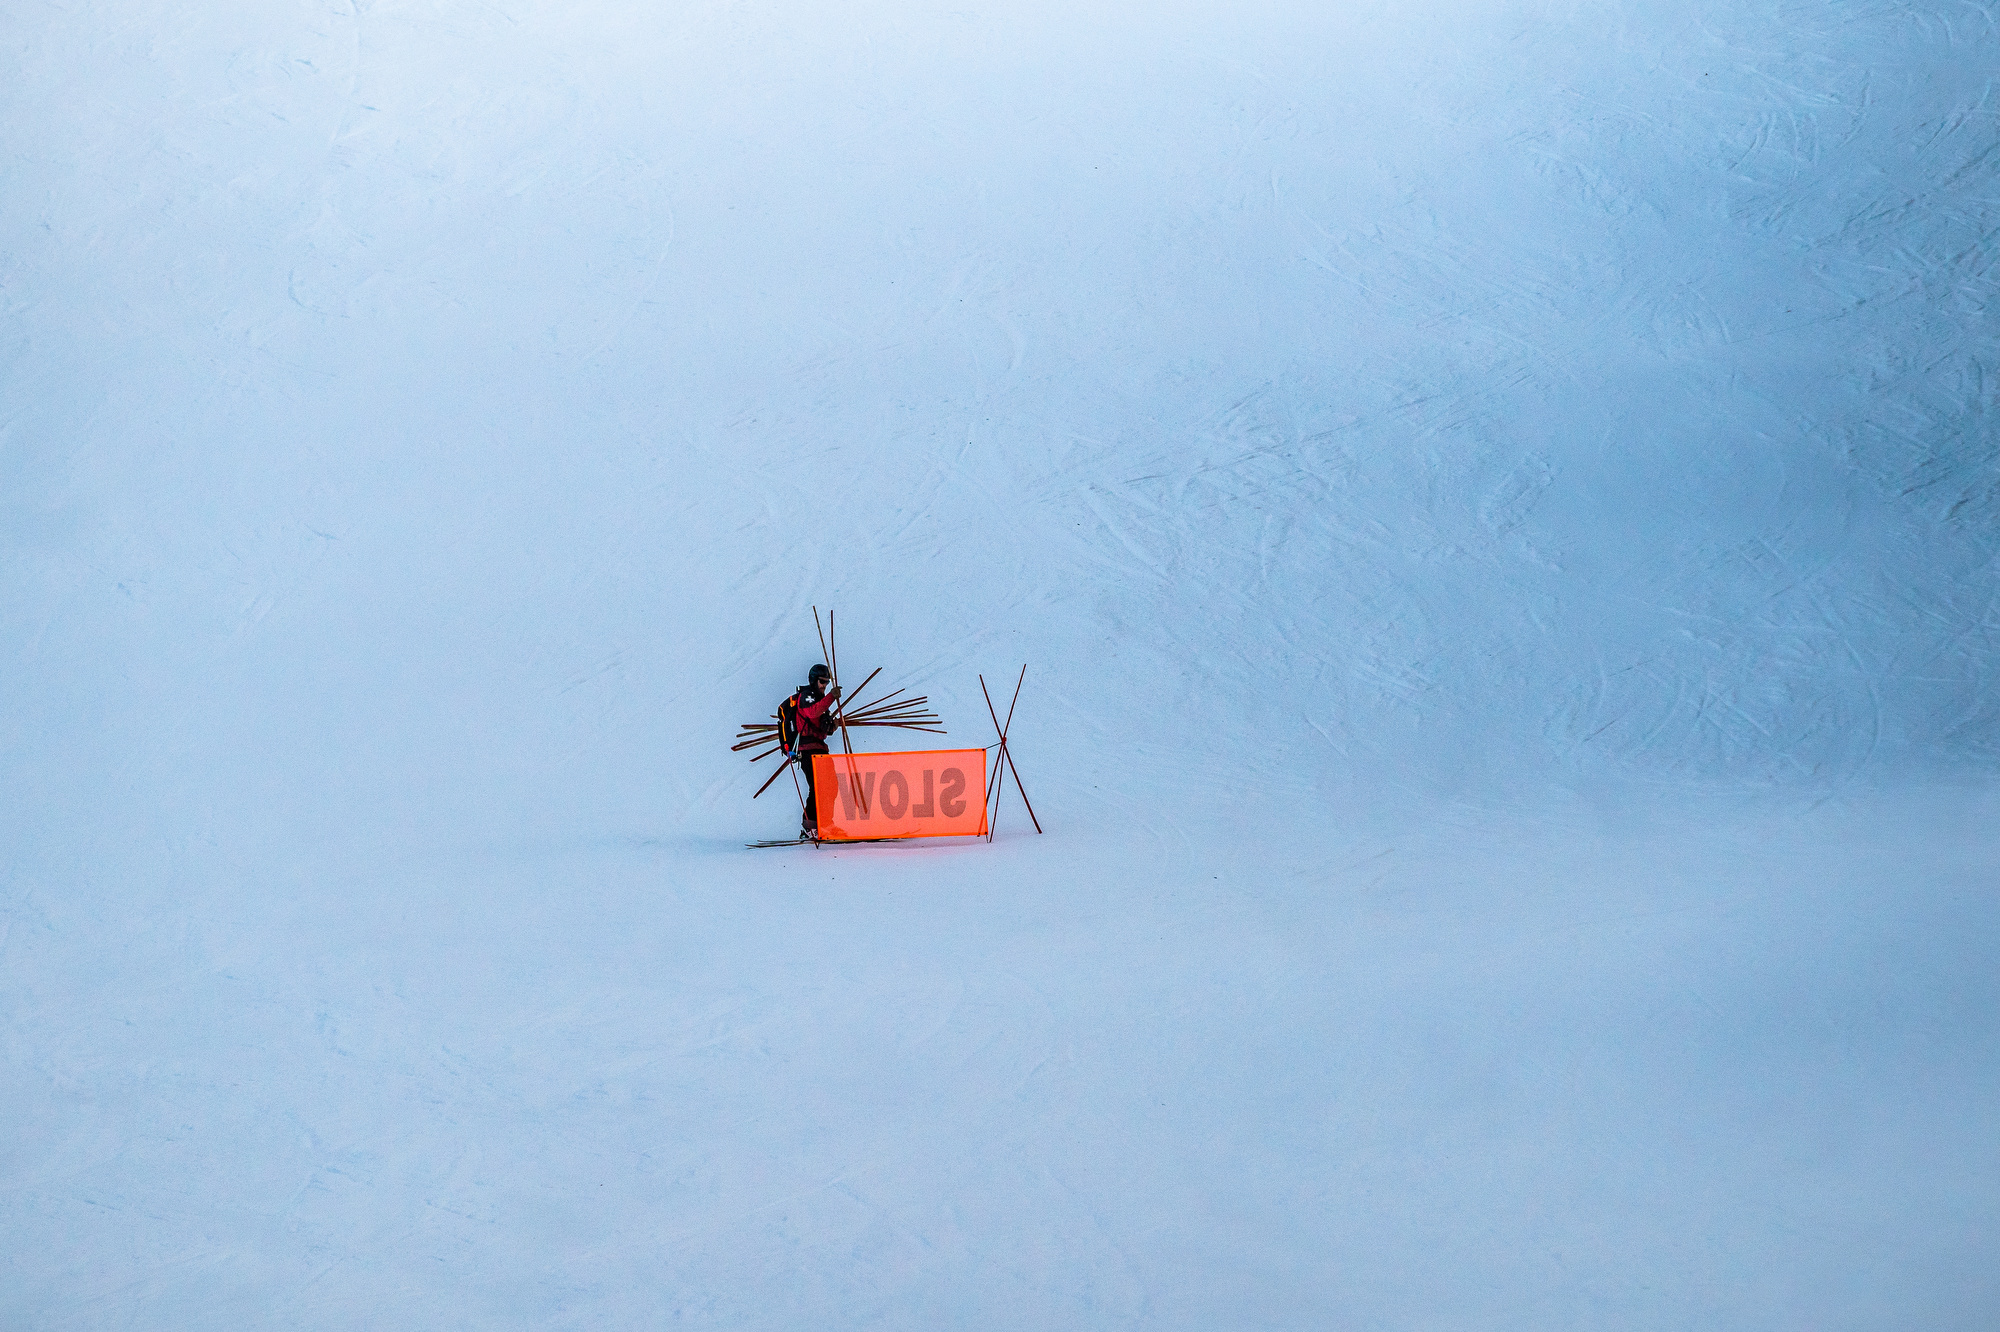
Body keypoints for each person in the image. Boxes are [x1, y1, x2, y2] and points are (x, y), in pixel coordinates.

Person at [778, 664, 841, 838]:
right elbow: (812, 712)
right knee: (818, 787)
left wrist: (831, 726)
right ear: (813, 680)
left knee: (830, 787)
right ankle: (810, 827)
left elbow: (820, 727)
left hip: (820, 749)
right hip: (807, 750)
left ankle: (826, 824)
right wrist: (831, 697)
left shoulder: (820, 699)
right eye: (822, 682)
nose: (824, 686)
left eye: (827, 683)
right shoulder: (808, 697)